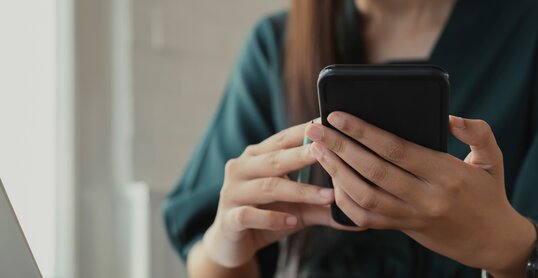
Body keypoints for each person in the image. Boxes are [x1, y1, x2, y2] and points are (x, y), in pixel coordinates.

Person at [163, 0, 538, 277]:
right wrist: (224, 248)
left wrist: (509, 250)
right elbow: (210, 254)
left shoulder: (525, 33)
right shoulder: (276, 47)